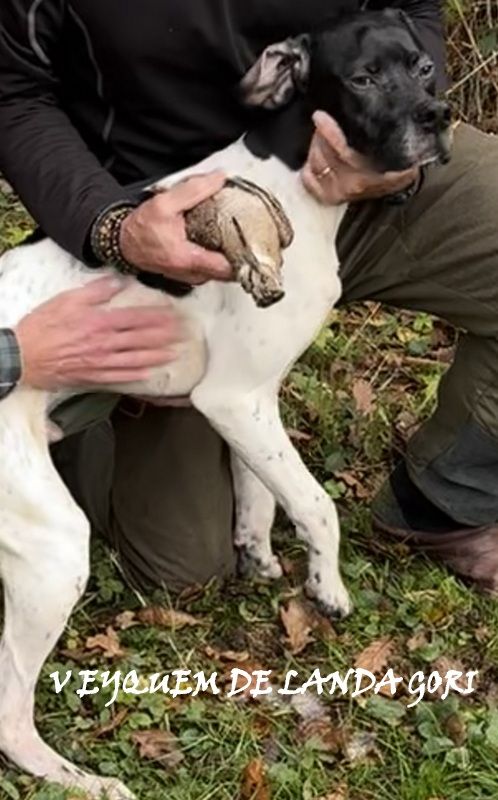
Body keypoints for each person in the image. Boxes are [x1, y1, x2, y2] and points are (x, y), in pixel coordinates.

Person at [0, 0, 497, 594]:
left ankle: (442, 505)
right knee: (183, 572)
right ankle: (80, 410)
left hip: (345, 160)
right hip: (166, 221)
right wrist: (109, 227)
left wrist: (401, 133)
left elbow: (412, 7)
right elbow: (13, 91)